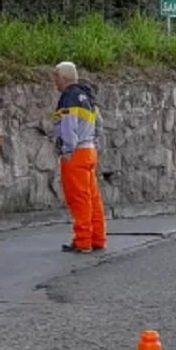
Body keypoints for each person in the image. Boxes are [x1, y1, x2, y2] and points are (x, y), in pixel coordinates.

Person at [52, 61, 106, 254]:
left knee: (78, 199)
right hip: (89, 151)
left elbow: (68, 127)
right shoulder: (88, 96)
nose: (55, 82)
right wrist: (94, 144)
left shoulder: (69, 98)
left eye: (56, 77)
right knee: (92, 198)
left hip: (75, 154)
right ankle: (97, 238)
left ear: (64, 78)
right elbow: (99, 124)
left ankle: (83, 241)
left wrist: (67, 150)